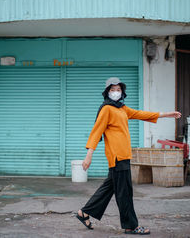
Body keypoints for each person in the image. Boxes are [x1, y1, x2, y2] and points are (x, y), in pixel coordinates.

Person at [76, 77, 181, 235]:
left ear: (122, 92)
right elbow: (96, 131)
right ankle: (130, 226)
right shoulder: (106, 109)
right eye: (113, 90)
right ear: (107, 92)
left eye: (118, 90)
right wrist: (88, 155)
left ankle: (84, 213)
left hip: (123, 156)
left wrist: (166, 114)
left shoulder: (122, 108)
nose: (116, 92)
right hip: (117, 157)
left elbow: (141, 113)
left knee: (108, 188)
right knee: (124, 193)